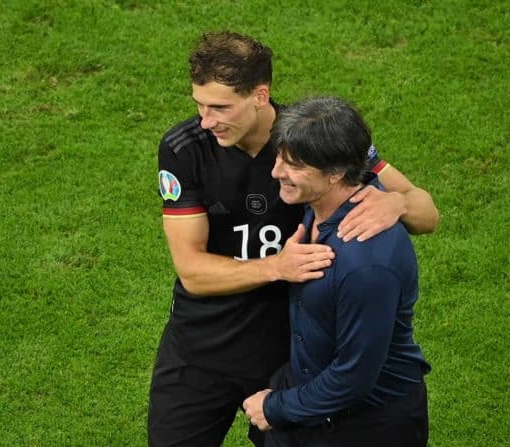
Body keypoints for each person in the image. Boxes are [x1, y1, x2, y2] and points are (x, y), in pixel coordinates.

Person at [150, 31, 438, 447]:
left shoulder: (310, 140)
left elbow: (426, 212)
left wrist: (398, 204)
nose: (206, 120)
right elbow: (192, 272)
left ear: (260, 95)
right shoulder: (185, 148)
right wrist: (276, 267)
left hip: (285, 352)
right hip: (201, 348)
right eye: (199, 105)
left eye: (219, 107)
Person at [242, 96, 431, 447]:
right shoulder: (322, 207)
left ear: (336, 174)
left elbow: (355, 375)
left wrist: (276, 406)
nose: (276, 172)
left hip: (366, 428)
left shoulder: (366, 263)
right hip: (313, 407)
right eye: (280, 157)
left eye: (294, 165)